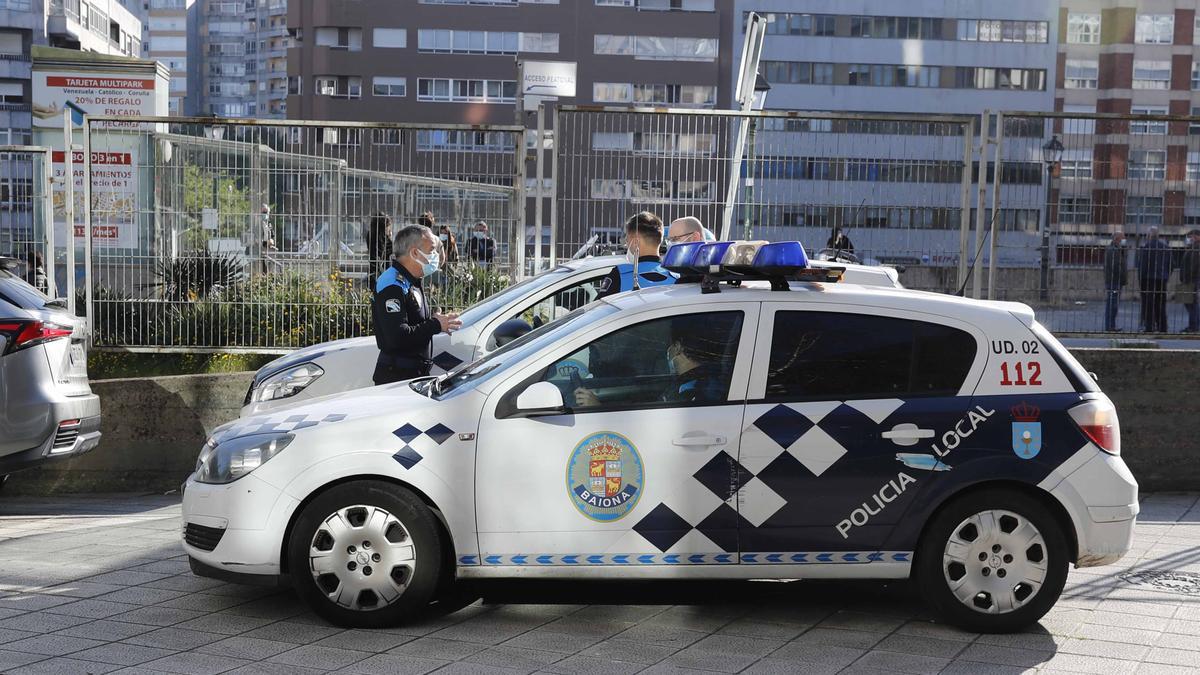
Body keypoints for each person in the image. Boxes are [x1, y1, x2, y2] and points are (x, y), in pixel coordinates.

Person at [372, 224, 462, 385]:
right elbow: (397, 337)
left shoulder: (411, 280)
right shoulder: (392, 284)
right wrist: (435, 325)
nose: (435, 255)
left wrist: (435, 320)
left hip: (412, 375)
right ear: (415, 253)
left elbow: (414, 323)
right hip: (396, 380)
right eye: (432, 250)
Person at [597, 211, 678, 299]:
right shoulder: (676, 278)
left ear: (635, 242)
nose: (626, 244)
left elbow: (598, 308)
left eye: (627, 240)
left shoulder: (619, 275)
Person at [1136, 227, 1172, 333]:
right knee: (1161, 304)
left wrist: (1141, 280)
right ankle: (1162, 327)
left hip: (1148, 279)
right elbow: (1172, 265)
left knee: (1148, 304)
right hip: (1161, 280)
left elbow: (1143, 266)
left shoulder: (1147, 247)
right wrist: (1166, 275)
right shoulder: (1165, 247)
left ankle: (1149, 327)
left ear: (1149, 235)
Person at [1102, 231, 1127, 332]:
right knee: (1112, 305)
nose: (1123, 240)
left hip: (1114, 281)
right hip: (1114, 281)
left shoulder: (1115, 249)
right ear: (1117, 239)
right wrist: (1122, 278)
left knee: (1112, 304)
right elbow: (1116, 267)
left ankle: (1111, 326)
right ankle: (1110, 327)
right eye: (1122, 238)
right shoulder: (1113, 250)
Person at [1180, 229, 1200, 333]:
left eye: (1191, 236)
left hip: (1191, 279)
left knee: (1191, 303)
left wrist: (1187, 279)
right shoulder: (1193, 247)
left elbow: (1194, 265)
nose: (1190, 238)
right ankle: (1194, 325)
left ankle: (1194, 326)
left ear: (1197, 236)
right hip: (1189, 278)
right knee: (1189, 302)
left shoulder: (1197, 248)